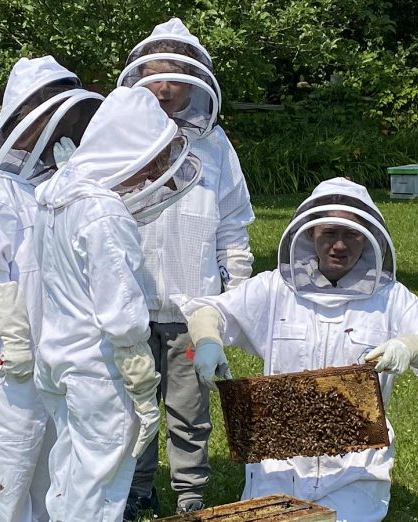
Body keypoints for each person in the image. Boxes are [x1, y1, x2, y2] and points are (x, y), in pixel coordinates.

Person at [179, 177, 418, 522]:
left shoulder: (391, 298)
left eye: (352, 235)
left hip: (356, 463)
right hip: (278, 459)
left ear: (370, 239)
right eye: (329, 233)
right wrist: (209, 341)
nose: (340, 246)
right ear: (310, 234)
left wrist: (411, 347)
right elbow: (208, 312)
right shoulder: (276, 288)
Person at [32, 86, 203, 522]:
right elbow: (121, 310)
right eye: (149, 161)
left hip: (56, 355)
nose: (149, 177)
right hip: (98, 369)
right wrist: (144, 385)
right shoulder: (103, 212)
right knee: (101, 484)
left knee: (68, 472)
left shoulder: (56, 193)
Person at [0, 56, 104, 522]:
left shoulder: (68, 172)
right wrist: (16, 338)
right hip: (13, 331)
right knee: (10, 435)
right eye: (41, 101)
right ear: (21, 111)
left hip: (63, 326)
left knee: (57, 433)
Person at [117, 18, 255, 516]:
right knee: (131, 407)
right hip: (128, 303)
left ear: (196, 82)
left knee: (189, 408)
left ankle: (190, 496)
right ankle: (135, 489)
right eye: (154, 74)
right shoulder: (121, 142)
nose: (164, 86)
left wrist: (233, 295)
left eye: (175, 74)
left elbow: (233, 225)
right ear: (137, 79)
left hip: (193, 305)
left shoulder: (215, 147)